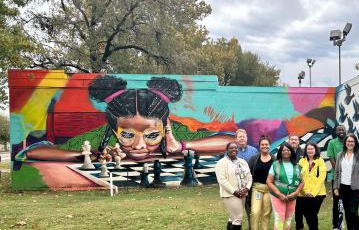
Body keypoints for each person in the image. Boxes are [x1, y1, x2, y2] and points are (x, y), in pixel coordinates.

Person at [19, 75, 233, 162]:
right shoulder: (101, 138)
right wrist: (82, 156)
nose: (139, 145)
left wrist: (182, 145)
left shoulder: (173, 133)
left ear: (165, 125)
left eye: (151, 135)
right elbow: (32, 151)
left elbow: (230, 141)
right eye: (128, 135)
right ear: (114, 131)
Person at [266, 142, 304, 230]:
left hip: (292, 196)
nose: (286, 152)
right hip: (278, 196)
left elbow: (302, 182)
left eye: (288, 150)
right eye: (283, 150)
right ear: (280, 152)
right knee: (280, 217)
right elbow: (269, 181)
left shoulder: (297, 166)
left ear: (291, 152)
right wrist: (278, 194)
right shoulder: (275, 164)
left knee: (288, 218)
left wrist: (296, 192)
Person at [215, 142, 252, 230]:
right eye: (231, 148)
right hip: (230, 194)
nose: (234, 149)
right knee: (238, 218)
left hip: (243, 193)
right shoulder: (222, 163)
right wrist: (234, 191)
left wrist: (247, 188)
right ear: (227, 149)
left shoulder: (242, 162)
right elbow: (222, 180)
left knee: (233, 217)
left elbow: (249, 176)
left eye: (236, 148)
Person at [333, 134, 359, 230]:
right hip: (343, 187)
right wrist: (336, 187)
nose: (350, 143)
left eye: (352, 141)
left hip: (355, 188)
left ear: (355, 143)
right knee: (347, 212)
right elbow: (337, 172)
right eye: (348, 141)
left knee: (354, 212)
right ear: (345, 143)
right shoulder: (340, 155)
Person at [247, 135, 275, 230]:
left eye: (266, 144)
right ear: (259, 146)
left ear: (269, 146)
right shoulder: (254, 158)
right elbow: (248, 174)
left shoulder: (274, 159)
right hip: (257, 189)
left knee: (266, 212)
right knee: (255, 211)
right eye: (262, 144)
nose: (264, 146)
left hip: (269, 189)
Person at [297, 142, 327, 230]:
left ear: (315, 150)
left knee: (312, 214)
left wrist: (313, 193)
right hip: (303, 194)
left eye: (312, 149)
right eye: (308, 149)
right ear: (305, 150)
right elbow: (299, 177)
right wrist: (305, 192)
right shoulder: (301, 161)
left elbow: (321, 178)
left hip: (318, 194)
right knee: (307, 215)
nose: (310, 151)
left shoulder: (320, 161)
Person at [235, 128, 258, 230]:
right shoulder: (232, 151)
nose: (242, 139)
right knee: (237, 211)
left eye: (243, 136)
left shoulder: (253, 151)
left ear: (247, 138)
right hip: (237, 186)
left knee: (251, 209)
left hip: (251, 185)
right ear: (236, 139)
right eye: (240, 137)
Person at [326, 124, 346, 230]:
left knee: (348, 203)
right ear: (336, 132)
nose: (341, 131)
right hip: (337, 178)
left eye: (343, 129)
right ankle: (335, 226)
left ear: (346, 131)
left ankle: (346, 224)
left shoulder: (349, 141)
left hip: (349, 179)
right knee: (336, 202)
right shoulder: (332, 143)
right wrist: (340, 173)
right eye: (339, 130)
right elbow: (332, 159)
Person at [288, 134, 306, 230]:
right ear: (289, 141)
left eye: (295, 139)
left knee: (299, 207)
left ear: (299, 142)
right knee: (286, 205)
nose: (293, 141)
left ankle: (299, 227)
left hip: (299, 182)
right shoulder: (285, 151)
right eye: (292, 139)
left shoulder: (303, 152)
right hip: (287, 182)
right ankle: (287, 225)